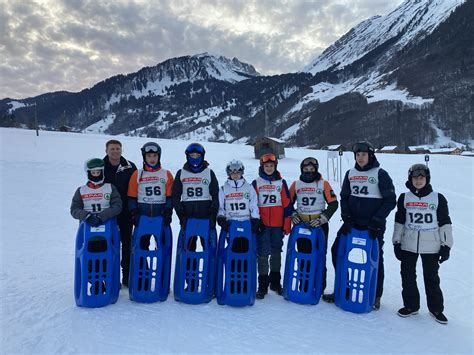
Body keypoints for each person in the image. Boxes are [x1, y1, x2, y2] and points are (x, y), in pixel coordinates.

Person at [323, 142, 396, 310]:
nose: (360, 157)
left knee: (376, 258)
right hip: (352, 222)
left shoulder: (380, 174)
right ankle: (344, 288)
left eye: (363, 154)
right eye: (357, 155)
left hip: (373, 225)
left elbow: (390, 200)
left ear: (370, 155)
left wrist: (377, 220)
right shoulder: (350, 173)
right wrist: (346, 217)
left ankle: (375, 295)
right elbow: (345, 197)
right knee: (337, 251)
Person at [392, 164, 453, 324]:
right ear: (410, 179)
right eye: (414, 178)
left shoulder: (437, 198)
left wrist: (446, 246)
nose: (418, 181)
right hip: (408, 242)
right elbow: (399, 221)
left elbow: (445, 223)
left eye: (421, 178)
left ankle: (436, 309)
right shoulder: (404, 198)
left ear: (427, 179)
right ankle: (411, 306)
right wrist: (396, 242)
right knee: (407, 276)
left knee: (431, 277)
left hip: (431, 244)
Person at [289, 157, 338, 293]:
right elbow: (288, 203)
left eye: (312, 169)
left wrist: (324, 217)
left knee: (319, 255)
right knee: (303, 257)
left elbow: (334, 203)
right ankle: (304, 286)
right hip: (302, 225)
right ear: (302, 170)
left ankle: (318, 287)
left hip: (319, 225)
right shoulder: (296, 184)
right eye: (306, 169)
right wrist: (293, 214)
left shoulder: (323, 184)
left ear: (316, 170)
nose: (309, 172)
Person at [252, 153, 292, 299]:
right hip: (263, 225)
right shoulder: (256, 183)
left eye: (271, 166)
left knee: (276, 252)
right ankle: (262, 285)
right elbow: (252, 204)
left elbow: (287, 204)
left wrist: (287, 223)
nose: (269, 168)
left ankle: (275, 282)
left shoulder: (281, 183)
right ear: (262, 167)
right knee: (263, 254)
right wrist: (255, 221)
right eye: (266, 166)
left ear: (275, 167)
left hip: (277, 224)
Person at [171, 143, 219, 250]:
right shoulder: (181, 173)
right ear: (187, 156)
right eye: (192, 155)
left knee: (207, 251)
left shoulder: (209, 173)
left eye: (198, 156)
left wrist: (213, 216)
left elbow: (216, 195)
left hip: (206, 218)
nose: (195, 158)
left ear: (202, 156)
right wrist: (181, 215)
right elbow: (175, 197)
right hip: (188, 219)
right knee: (189, 251)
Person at [127, 142, 174, 249]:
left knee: (162, 246)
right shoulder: (137, 174)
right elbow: (131, 197)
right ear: (144, 157)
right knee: (142, 247)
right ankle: (144, 266)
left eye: (154, 156)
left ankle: (161, 266)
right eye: (149, 156)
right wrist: (134, 213)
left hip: (160, 217)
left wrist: (168, 211)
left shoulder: (166, 174)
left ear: (159, 156)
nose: (152, 159)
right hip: (143, 218)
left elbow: (170, 197)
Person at [103, 140, 137, 287]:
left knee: (127, 244)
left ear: (121, 150)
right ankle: (108, 276)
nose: (115, 151)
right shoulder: (100, 167)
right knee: (108, 245)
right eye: (112, 149)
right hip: (107, 213)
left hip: (126, 212)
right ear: (106, 151)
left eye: (117, 149)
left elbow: (137, 188)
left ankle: (127, 275)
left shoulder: (130, 167)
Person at [70, 158, 122, 250]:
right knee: (90, 259)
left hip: (108, 228)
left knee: (107, 257)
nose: (96, 175)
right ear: (88, 173)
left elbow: (117, 206)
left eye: (98, 172)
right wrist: (87, 216)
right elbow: (74, 209)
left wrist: (102, 216)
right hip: (87, 230)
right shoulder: (81, 190)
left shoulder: (110, 188)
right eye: (93, 173)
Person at [217, 159, 261, 252]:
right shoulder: (223, 189)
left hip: (246, 224)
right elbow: (221, 206)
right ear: (229, 173)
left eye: (238, 172)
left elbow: (253, 204)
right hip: (231, 225)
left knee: (246, 251)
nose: (235, 174)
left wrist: (255, 218)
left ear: (242, 172)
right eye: (232, 172)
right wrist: (221, 217)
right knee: (233, 251)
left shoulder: (248, 187)